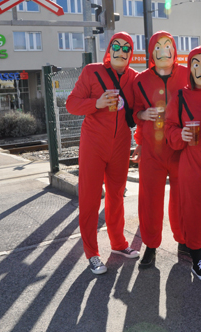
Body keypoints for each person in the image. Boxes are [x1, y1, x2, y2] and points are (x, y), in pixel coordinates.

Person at [66, 32, 140, 275]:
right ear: (109, 49)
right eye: (116, 46)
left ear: (131, 53)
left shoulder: (133, 78)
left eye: (126, 48)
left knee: (117, 196)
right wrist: (95, 103)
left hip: (120, 145)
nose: (121, 51)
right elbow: (71, 104)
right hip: (93, 144)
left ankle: (118, 244)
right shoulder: (92, 71)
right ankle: (92, 253)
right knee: (89, 198)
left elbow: (148, 100)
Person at [131, 31, 189, 266]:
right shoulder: (140, 80)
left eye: (168, 45)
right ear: (152, 52)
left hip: (180, 148)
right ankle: (151, 246)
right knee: (150, 199)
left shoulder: (187, 74)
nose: (164, 50)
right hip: (152, 151)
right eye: (158, 46)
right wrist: (143, 114)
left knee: (182, 198)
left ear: (174, 49)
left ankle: (183, 241)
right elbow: (134, 111)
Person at [164, 45, 201, 281]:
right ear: (189, 70)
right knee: (195, 211)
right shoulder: (180, 97)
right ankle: (197, 259)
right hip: (194, 162)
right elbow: (169, 128)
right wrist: (180, 136)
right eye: (195, 63)